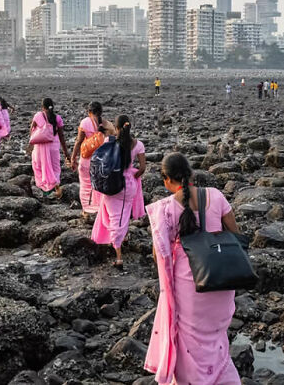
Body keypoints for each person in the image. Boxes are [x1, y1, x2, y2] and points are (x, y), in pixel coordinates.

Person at [144, 153, 241, 384]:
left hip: (190, 290)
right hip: (221, 283)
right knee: (217, 341)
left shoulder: (165, 209)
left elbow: (159, 256)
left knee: (191, 348)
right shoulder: (216, 196)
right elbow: (235, 236)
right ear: (191, 173)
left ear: (167, 180)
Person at [91, 115, 146, 268]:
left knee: (115, 217)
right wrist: (132, 175)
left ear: (117, 128)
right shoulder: (137, 144)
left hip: (111, 182)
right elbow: (142, 168)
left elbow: (102, 153)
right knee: (124, 213)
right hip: (128, 184)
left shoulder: (110, 141)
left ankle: (119, 256)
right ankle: (122, 239)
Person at [70, 101, 117, 218]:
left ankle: (87, 210)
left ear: (89, 112)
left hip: (86, 160)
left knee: (85, 185)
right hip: (101, 160)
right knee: (99, 185)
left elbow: (78, 141)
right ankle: (100, 209)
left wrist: (72, 158)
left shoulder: (85, 122)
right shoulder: (108, 125)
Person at [31, 98, 69, 198]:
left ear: (42, 107)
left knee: (39, 168)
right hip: (54, 147)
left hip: (39, 148)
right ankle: (55, 186)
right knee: (55, 169)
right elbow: (61, 136)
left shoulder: (38, 116)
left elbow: (32, 130)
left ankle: (45, 192)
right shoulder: (57, 118)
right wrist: (66, 153)